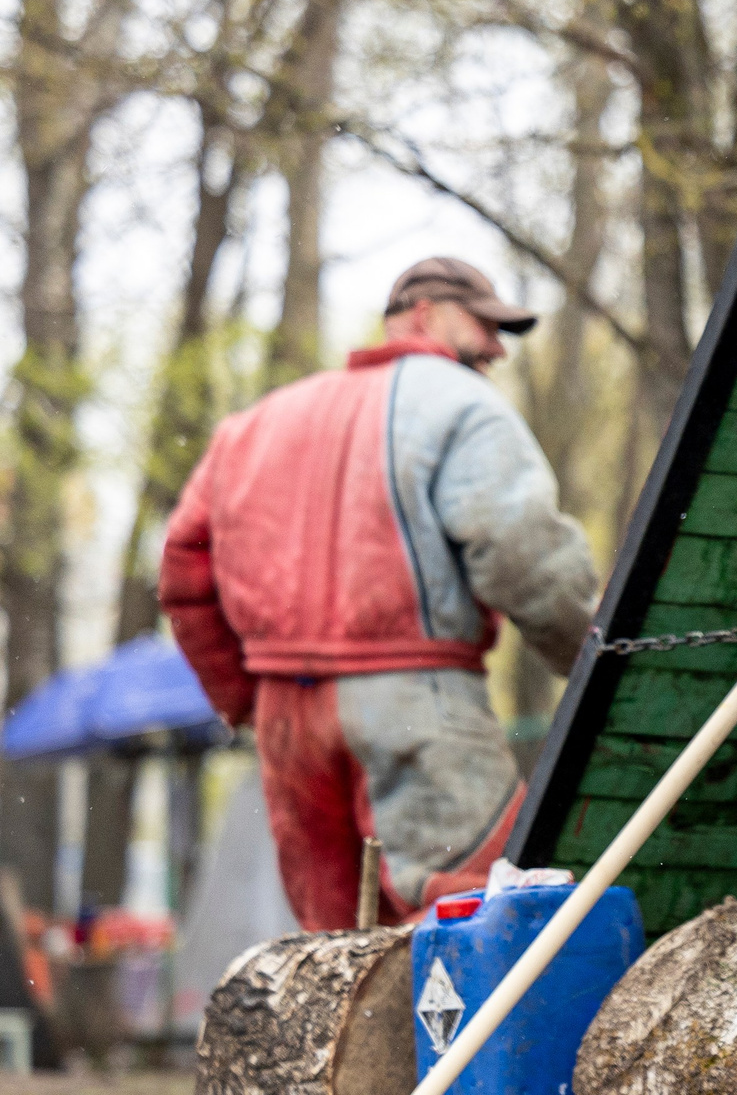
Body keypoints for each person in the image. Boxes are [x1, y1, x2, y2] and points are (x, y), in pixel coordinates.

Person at [160, 259, 597, 931]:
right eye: (483, 322)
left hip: (285, 719)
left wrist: (245, 698)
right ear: (423, 314)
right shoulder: (462, 404)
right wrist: (590, 654)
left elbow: (184, 574)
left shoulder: (254, 425)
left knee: (333, 945)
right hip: (417, 701)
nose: (496, 346)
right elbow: (520, 547)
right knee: (474, 915)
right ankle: (466, 1043)